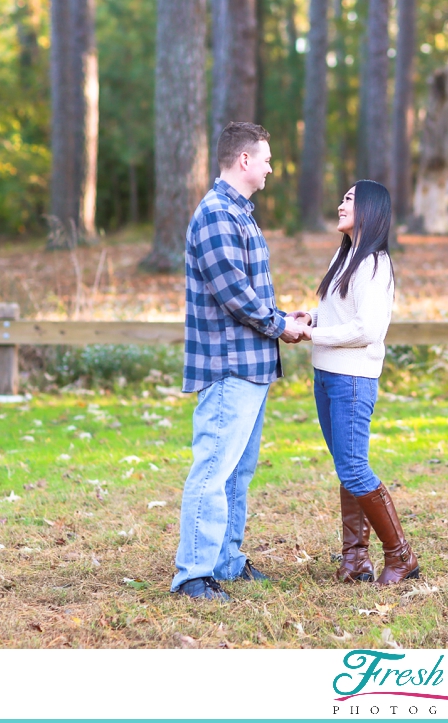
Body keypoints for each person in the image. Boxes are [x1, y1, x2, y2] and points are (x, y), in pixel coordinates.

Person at [171, 121, 309, 601]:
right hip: (228, 367)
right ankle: (193, 573)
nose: (272, 166)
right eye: (266, 158)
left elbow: (248, 291)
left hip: (249, 367)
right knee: (212, 470)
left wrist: (284, 316)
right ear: (244, 160)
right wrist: (279, 325)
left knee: (236, 473)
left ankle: (225, 561)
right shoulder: (215, 214)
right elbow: (234, 292)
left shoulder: (239, 214)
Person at [291, 180, 421, 586]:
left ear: (368, 209)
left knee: (354, 468)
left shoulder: (375, 264)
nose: (340, 204)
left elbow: (368, 329)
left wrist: (314, 335)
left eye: (349, 199)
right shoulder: (348, 256)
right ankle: (355, 560)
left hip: (351, 379)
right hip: (328, 375)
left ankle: (402, 557)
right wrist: (313, 318)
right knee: (346, 469)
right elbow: (343, 313)